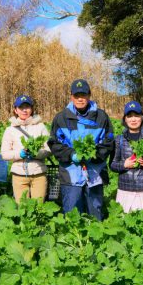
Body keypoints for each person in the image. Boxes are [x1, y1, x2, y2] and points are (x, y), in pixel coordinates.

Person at [48, 79, 114, 220]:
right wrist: (71, 154)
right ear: (71, 96)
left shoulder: (101, 117)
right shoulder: (61, 118)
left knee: (95, 211)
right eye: (77, 95)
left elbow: (108, 142)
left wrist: (94, 155)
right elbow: (54, 143)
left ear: (89, 95)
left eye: (83, 95)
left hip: (95, 173)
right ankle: (74, 240)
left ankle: (96, 240)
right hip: (70, 173)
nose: (80, 99)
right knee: (72, 212)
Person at [0, 95, 51, 203]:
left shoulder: (40, 126)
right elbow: (4, 154)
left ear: (32, 109)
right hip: (19, 174)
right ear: (15, 110)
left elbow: (49, 149)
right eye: (21, 107)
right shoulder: (10, 130)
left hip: (39, 173)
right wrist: (20, 154)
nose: (24, 110)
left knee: (38, 207)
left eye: (27, 107)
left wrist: (36, 154)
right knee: (22, 208)